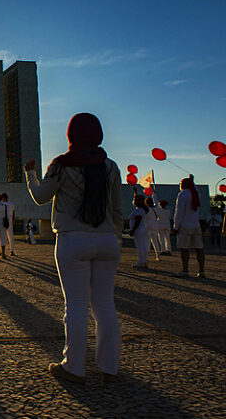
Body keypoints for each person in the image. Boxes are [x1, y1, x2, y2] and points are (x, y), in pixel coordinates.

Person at [26, 113, 123, 384]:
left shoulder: (61, 165)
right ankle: (110, 368)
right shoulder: (111, 166)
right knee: (105, 305)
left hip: (73, 239)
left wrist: (30, 173)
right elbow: (117, 208)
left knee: (77, 305)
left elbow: (41, 197)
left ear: (70, 134)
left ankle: (74, 367)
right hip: (106, 240)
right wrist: (115, 238)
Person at [172, 177, 205, 278]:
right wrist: (192, 180)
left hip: (185, 225)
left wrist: (176, 226)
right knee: (199, 248)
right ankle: (202, 271)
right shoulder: (196, 193)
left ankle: (185, 270)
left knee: (184, 249)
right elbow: (195, 188)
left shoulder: (182, 194)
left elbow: (179, 212)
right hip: (196, 224)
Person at [129, 194, 149, 269]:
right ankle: (144, 261)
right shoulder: (142, 209)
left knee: (140, 246)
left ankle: (141, 262)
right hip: (142, 229)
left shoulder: (139, 210)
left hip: (139, 230)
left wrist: (133, 230)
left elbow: (137, 221)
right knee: (143, 246)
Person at [144, 196, 162, 261]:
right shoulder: (156, 209)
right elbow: (156, 203)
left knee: (147, 242)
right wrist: (154, 195)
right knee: (155, 242)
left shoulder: (146, 209)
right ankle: (158, 255)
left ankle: (145, 255)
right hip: (155, 226)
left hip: (148, 226)